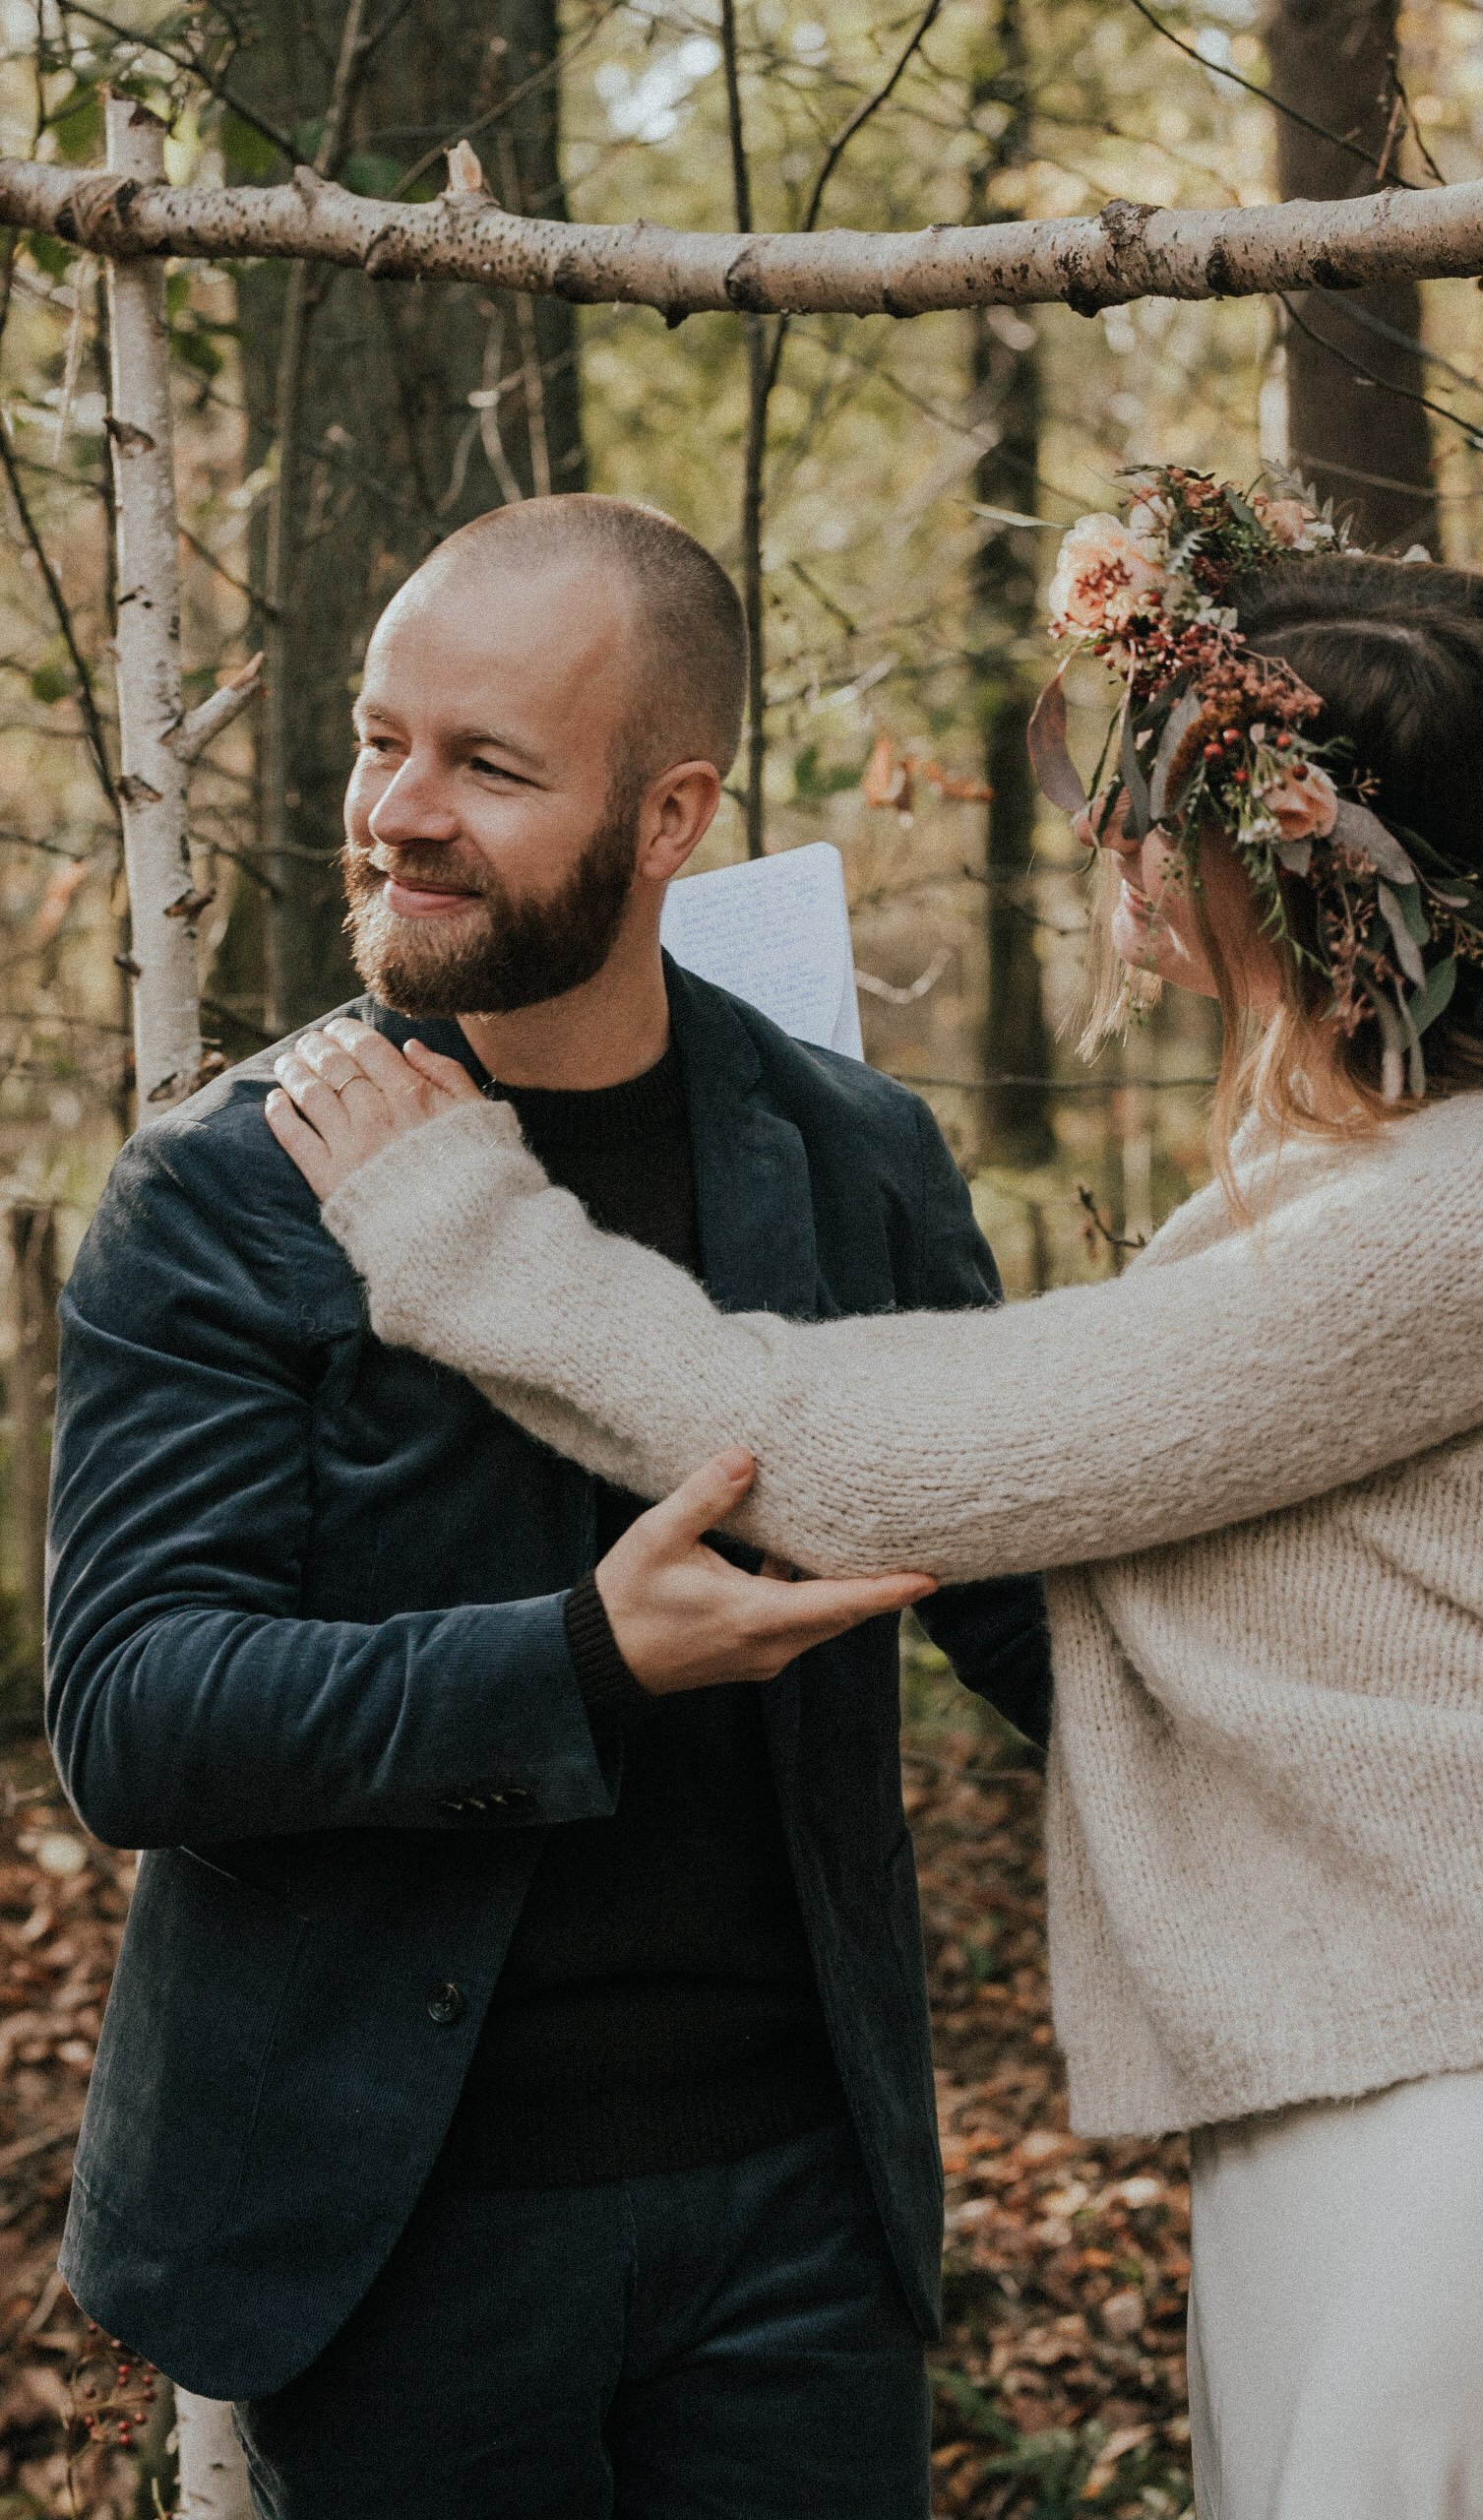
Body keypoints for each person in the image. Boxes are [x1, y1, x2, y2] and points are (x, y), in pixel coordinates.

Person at [269, 473, 1483, 2520]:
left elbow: (882, 1454)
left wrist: (456, 1224)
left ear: (1314, 864)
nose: (1113, 842)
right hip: (1392, 2049)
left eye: (1160, 802)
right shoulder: (1425, 1161)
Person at [46, 493, 1054, 2520]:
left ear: (668, 814)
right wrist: (579, 1662)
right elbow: (135, 1712)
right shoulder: (228, 1188)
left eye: (487, 766)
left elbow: (1028, 1613)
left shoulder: (855, 1157)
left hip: (798, 2222)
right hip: (398, 2229)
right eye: (376, 738)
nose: (395, 811)